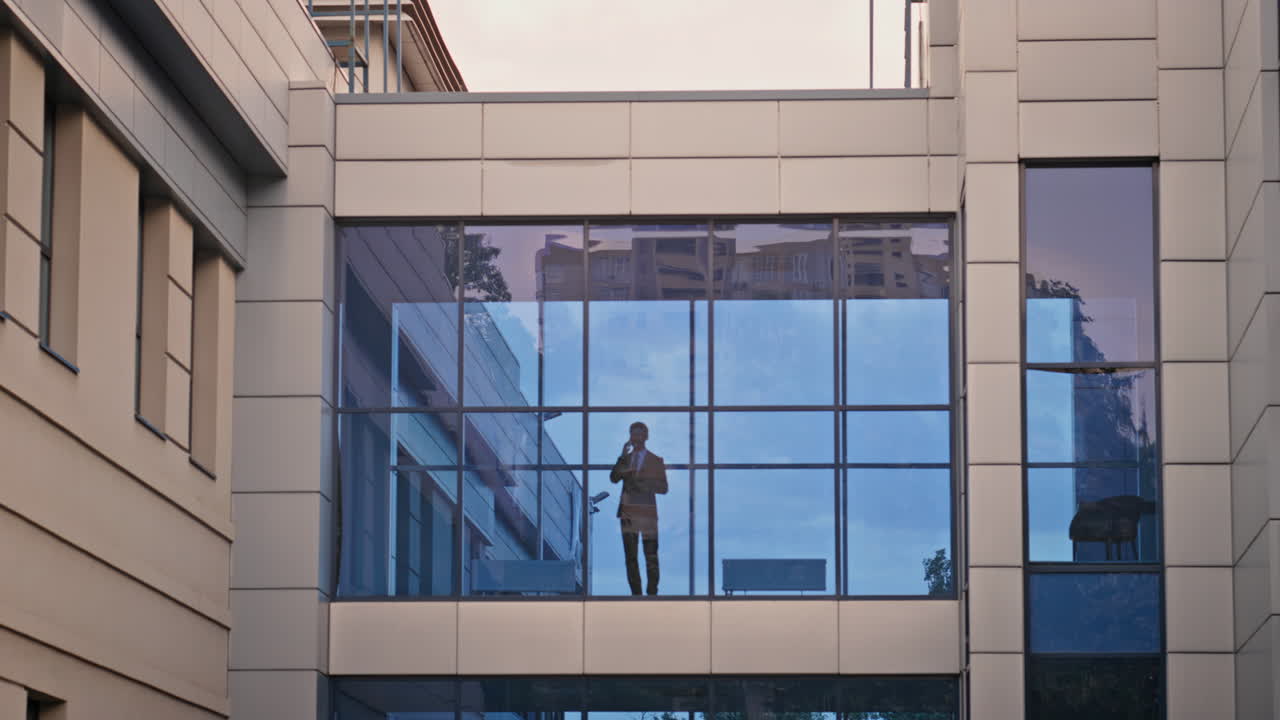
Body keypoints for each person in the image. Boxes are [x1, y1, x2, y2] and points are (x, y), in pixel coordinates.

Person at [610, 421, 668, 595]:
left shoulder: (656, 461)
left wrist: (645, 483)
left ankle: (652, 593)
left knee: (651, 556)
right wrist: (622, 455)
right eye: (633, 434)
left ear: (646, 437)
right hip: (628, 513)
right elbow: (614, 478)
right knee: (631, 557)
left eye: (639, 434)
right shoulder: (625, 459)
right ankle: (636, 594)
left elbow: (663, 488)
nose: (636, 438)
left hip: (647, 513)